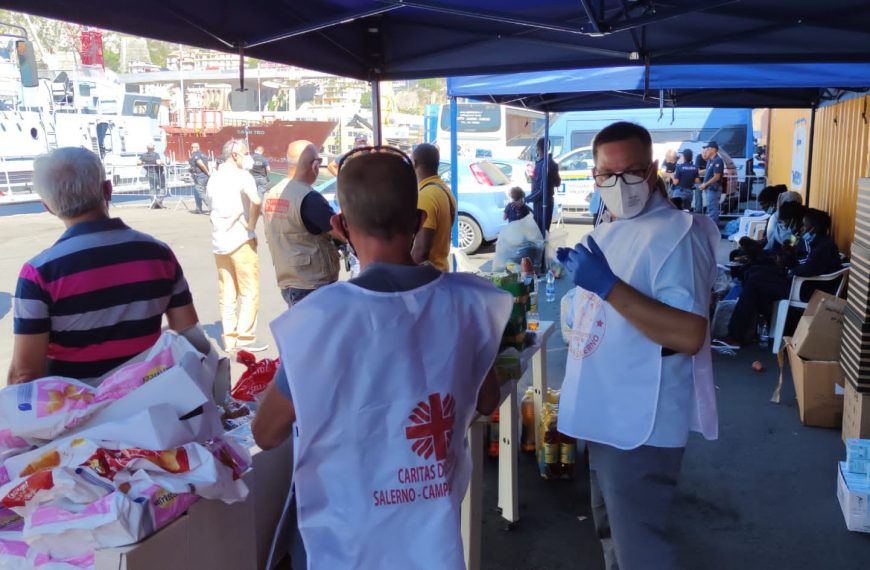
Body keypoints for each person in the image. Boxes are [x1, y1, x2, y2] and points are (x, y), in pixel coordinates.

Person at [252, 148, 512, 569]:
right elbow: (486, 400)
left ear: (339, 225)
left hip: (346, 541)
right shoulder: (468, 305)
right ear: (418, 222)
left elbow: (266, 433)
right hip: (432, 536)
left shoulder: (319, 319)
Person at [556, 122, 719, 570]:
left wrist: (607, 287)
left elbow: (690, 334)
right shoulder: (611, 226)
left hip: (640, 422)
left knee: (638, 549)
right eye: (606, 176)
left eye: (629, 173)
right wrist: (578, 299)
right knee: (612, 535)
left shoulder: (676, 233)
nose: (618, 186)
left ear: (651, 173)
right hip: (604, 414)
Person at [8, 147, 207, 385]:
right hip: (149, 402)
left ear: (48, 207)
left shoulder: (39, 274)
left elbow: (26, 373)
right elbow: (188, 332)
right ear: (108, 190)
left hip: (76, 414)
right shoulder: (159, 254)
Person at [726, 208, 841, 344]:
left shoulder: (821, 246)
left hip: (804, 288)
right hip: (797, 279)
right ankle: (757, 326)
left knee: (754, 282)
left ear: (812, 228)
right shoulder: (816, 242)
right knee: (754, 274)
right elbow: (799, 261)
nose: (801, 228)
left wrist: (786, 262)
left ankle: (737, 334)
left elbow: (805, 267)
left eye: (804, 225)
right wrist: (787, 256)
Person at [207, 139, 267, 352]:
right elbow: (256, 201)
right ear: (235, 155)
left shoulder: (214, 178)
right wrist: (251, 225)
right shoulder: (243, 176)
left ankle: (230, 337)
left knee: (227, 291)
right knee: (249, 290)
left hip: (219, 240)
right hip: (241, 239)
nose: (248, 156)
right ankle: (246, 336)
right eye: (246, 153)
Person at [264, 140, 340, 307]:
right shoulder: (308, 198)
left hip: (288, 281)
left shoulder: (271, 194)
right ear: (314, 165)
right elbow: (340, 233)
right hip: (313, 283)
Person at [411, 143, 456, 271]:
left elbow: (421, 251)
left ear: (414, 163)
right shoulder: (444, 190)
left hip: (426, 280)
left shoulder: (426, 196)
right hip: (441, 273)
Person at [525, 137, 561, 235]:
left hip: (542, 204)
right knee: (544, 233)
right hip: (547, 202)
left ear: (538, 149)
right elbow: (557, 183)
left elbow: (541, 190)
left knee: (540, 234)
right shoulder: (552, 163)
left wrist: (525, 199)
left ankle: (543, 251)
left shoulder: (544, 165)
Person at [698, 141, 725, 223]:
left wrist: (705, 184)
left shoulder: (718, 160)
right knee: (711, 208)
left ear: (713, 149)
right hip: (709, 188)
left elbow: (717, 176)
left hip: (714, 188)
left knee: (713, 209)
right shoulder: (710, 160)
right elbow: (708, 171)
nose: (706, 151)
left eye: (708, 149)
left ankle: (714, 230)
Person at [138, 143, 165, 209]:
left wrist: (143, 162)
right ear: (153, 148)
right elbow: (158, 163)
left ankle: (153, 202)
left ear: (147, 149)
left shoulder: (143, 155)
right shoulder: (156, 154)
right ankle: (158, 202)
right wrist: (162, 162)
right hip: (158, 173)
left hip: (149, 173)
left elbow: (138, 162)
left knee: (152, 188)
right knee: (162, 187)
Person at [188, 142, 211, 214]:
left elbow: (201, 164)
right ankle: (198, 208)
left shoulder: (196, 155)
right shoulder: (203, 154)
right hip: (201, 175)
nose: (191, 148)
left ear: (197, 148)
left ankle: (211, 207)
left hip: (200, 175)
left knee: (200, 192)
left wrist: (207, 172)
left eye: (193, 147)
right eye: (191, 147)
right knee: (197, 191)